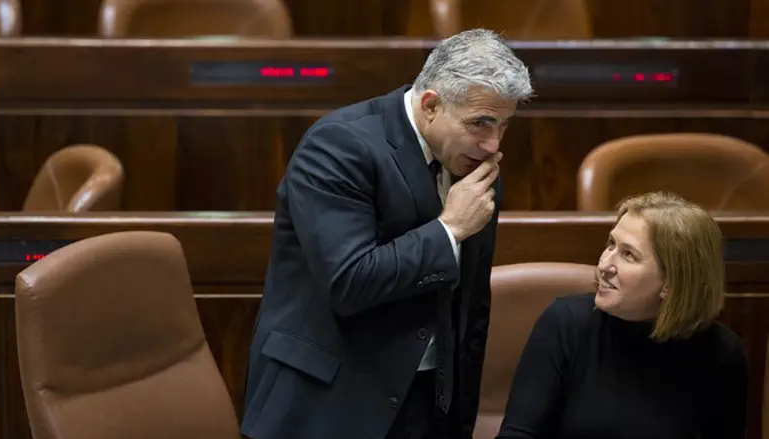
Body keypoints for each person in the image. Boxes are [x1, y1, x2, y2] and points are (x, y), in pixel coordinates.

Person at [240, 28, 533, 439]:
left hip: (426, 407)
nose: (493, 143)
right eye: (480, 123)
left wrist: (459, 413)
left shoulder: (472, 165)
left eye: (504, 125)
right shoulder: (339, 146)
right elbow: (349, 281)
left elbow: (469, 304)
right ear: (431, 105)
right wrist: (449, 229)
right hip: (327, 405)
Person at [495, 191, 748, 439]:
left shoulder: (722, 352)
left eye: (629, 255)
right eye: (611, 244)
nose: (604, 265)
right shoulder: (566, 324)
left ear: (671, 282)